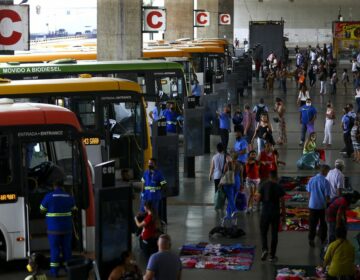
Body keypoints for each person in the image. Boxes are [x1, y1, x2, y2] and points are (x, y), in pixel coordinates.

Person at [40, 165, 77, 278]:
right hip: (67, 229)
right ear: (62, 186)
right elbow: (74, 210)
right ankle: (68, 270)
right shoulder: (68, 196)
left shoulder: (49, 196)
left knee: (55, 251)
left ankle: (54, 272)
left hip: (53, 230)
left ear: (54, 186)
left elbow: (41, 210)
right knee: (67, 250)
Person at [257, 170, 286, 262]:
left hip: (265, 212)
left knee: (263, 232)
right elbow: (282, 202)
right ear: (276, 177)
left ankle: (265, 249)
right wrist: (284, 216)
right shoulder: (279, 187)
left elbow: (257, 199)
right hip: (275, 213)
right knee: (274, 234)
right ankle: (272, 256)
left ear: (269, 176)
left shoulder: (263, 185)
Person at [306, 164, 331, 247]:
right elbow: (327, 196)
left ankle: (311, 239)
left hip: (312, 205)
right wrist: (328, 204)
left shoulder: (311, 179)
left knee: (312, 223)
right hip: (321, 206)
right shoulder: (326, 181)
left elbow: (309, 192)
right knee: (323, 223)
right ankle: (323, 239)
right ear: (324, 171)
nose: (328, 173)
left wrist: (310, 202)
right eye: (327, 171)